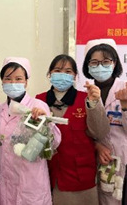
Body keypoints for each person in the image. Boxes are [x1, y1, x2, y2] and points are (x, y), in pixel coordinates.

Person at [36, 53, 106, 205]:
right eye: (57, 70)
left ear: (75, 76)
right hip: (50, 175)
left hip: (81, 176)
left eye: (68, 71)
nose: (62, 75)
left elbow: (99, 132)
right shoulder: (39, 100)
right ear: (49, 74)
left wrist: (94, 104)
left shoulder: (85, 98)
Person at [81, 40, 127, 205]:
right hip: (103, 162)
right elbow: (85, 130)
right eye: (94, 62)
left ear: (114, 63)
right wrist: (96, 146)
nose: (100, 66)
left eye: (106, 61)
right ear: (87, 66)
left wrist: (126, 105)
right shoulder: (85, 94)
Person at [0, 57, 60, 205]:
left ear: (26, 82)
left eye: (18, 79)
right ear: (2, 82)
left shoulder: (38, 106)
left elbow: (55, 143)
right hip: (6, 181)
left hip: (31, 181)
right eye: (8, 79)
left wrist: (45, 124)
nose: (13, 83)